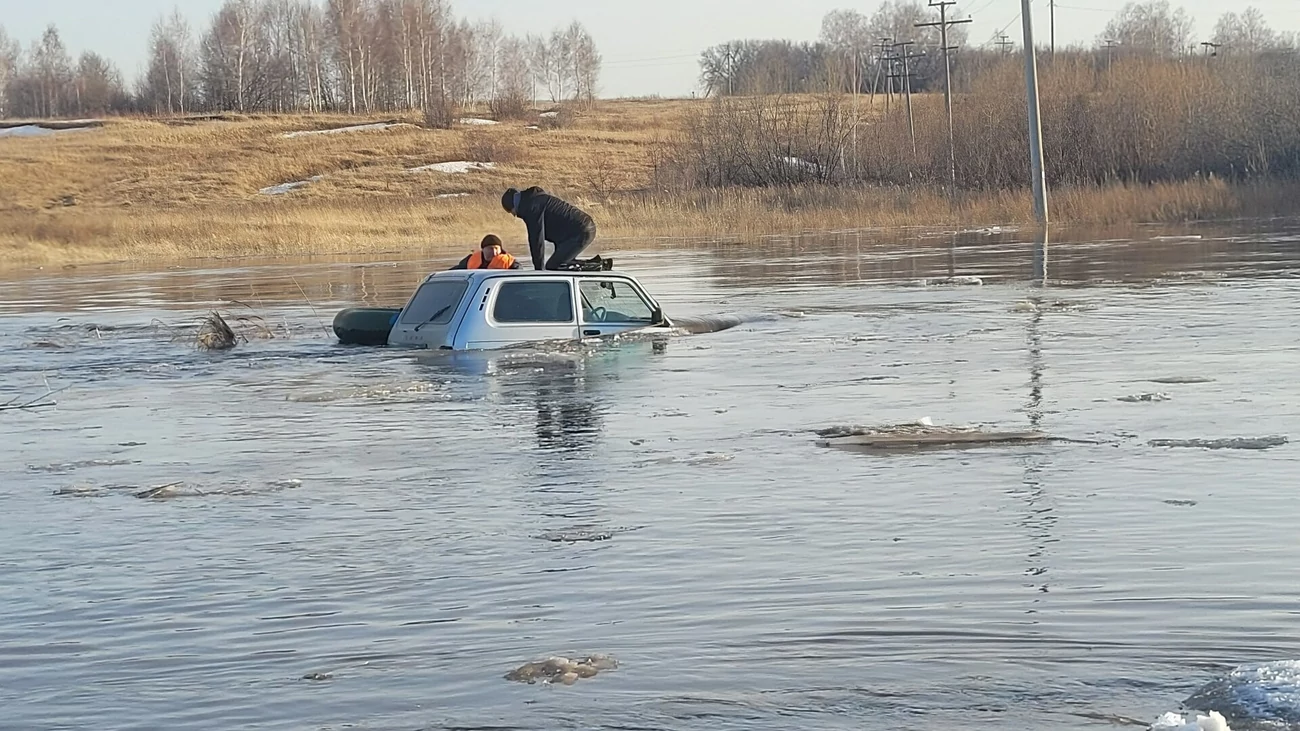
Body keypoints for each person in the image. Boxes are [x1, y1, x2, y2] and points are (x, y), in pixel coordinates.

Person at [501, 186, 599, 271]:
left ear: (513, 205)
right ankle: (595, 264)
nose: (514, 215)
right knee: (562, 264)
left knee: (553, 266)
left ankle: (596, 267)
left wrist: (539, 271)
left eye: (511, 211)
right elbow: (558, 232)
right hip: (581, 228)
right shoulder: (533, 201)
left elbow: (536, 240)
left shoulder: (531, 207)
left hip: (581, 231)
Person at [450, 234, 521, 270]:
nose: (494, 252)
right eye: (490, 249)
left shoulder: (511, 263)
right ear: (483, 249)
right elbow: (453, 273)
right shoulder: (469, 261)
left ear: (501, 249)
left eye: (496, 248)